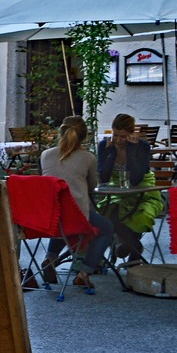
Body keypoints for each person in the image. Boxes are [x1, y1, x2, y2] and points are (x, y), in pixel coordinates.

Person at [40, 116, 114, 290]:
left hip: (50, 216)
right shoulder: (88, 158)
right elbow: (93, 187)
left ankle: (50, 259)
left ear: (61, 132)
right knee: (107, 228)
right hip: (76, 217)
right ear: (84, 136)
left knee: (63, 220)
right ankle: (84, 273)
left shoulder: (45, 155)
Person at [96, 113, 164, 266]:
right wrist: (111, 154)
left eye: (123, 136)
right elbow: (104, 177)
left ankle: (130, 247)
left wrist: (131, 151)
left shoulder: (142, 146)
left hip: (143, 191)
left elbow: (136, 180)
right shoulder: (105, 146)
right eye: (116, 135)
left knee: (141, 214)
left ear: (132, 134)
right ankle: (134, 247)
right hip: (114, 190)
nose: (119, 140)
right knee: (110, 211)